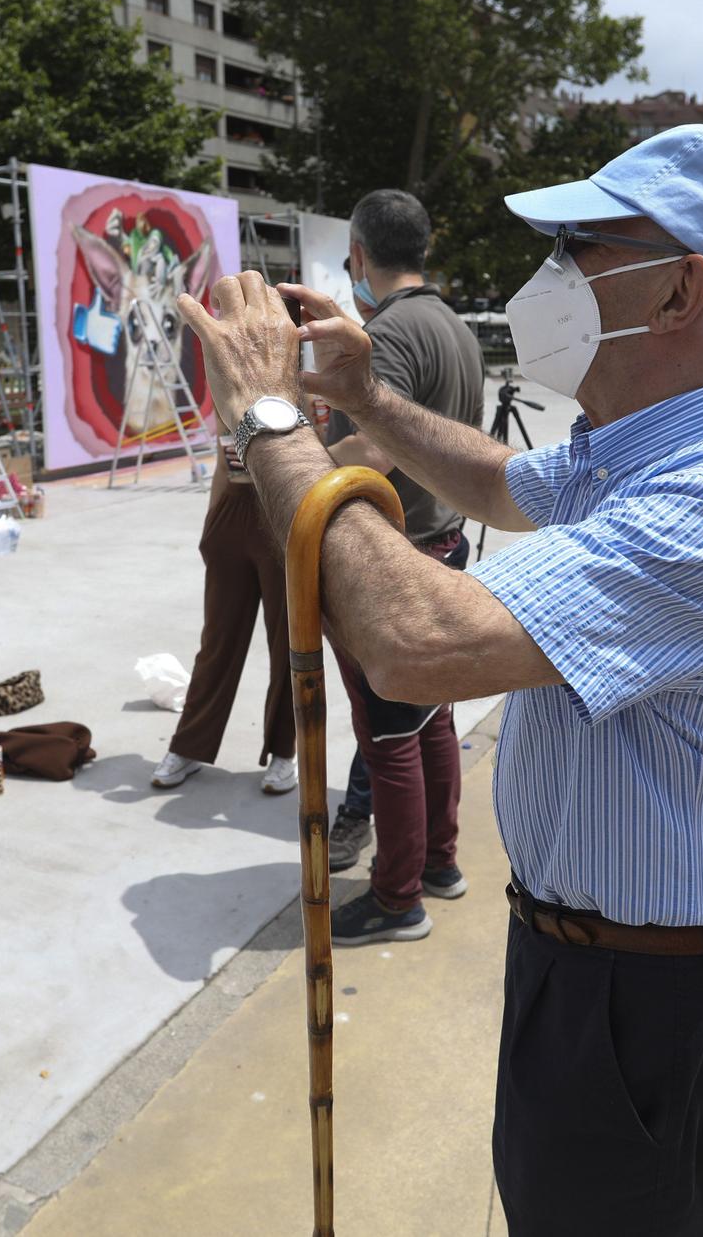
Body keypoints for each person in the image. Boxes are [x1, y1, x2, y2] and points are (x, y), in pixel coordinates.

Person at [179, 123, 703, 1234]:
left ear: (678, 290)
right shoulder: (637, 445)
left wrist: (268, 420)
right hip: (590, 965)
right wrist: (370, 400)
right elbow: (499, 483)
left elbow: (414, 640)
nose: (551, 273)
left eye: (581, 244)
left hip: (667, 995)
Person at [314, 188, 484, 942]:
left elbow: (376, 449)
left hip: (397, 553)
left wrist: (293, 457)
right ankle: (439, 863)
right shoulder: (454, 327)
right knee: (433, 718)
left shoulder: (385, 335)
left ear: (357, 253)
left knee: (389, 734)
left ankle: (396, 896)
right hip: (444, 541)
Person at [150, 451, 298, 796]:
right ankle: (189, 746)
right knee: (217, 641)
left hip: (283, 511)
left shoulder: (299, 393)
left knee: (288, 645)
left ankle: (284, 752)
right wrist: (211, 526)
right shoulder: (223, 396)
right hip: (232, 510)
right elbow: (221, 460)